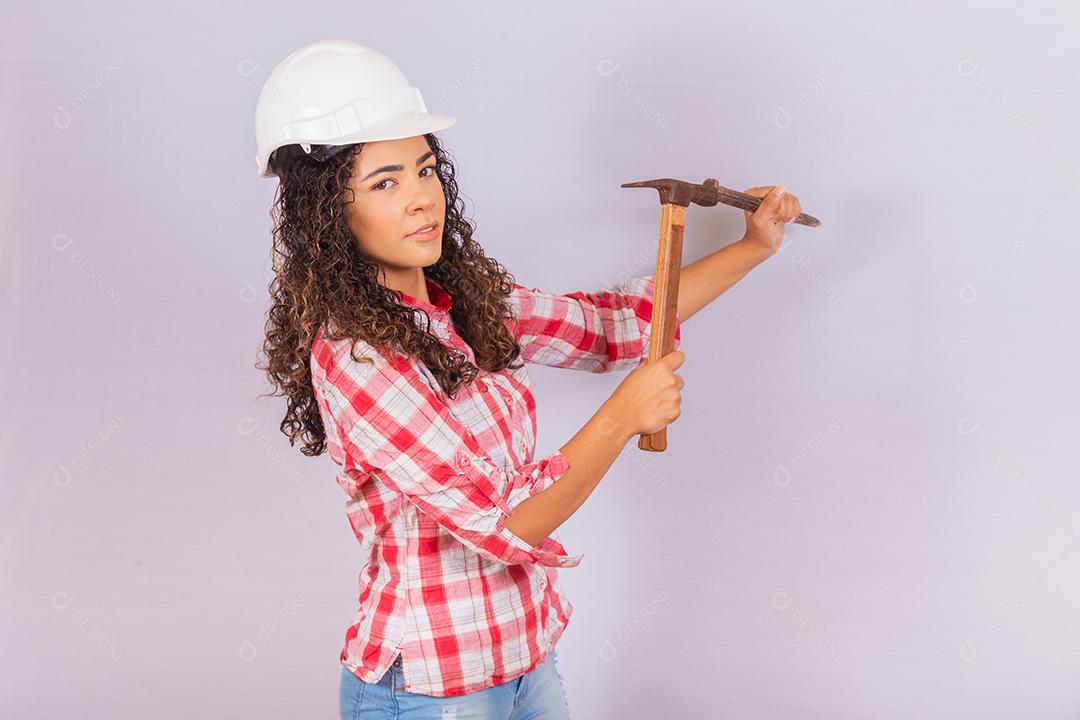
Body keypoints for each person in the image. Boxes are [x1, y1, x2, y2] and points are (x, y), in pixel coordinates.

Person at [254, 39, 800, 720]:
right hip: (430, 687)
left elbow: (609, 324)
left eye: (425, 170)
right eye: (384, 182)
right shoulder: (357, 357)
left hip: (525, 659)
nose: (422, 199)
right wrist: (620, 417)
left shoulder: (467, 302)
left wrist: (752, 248)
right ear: (329, 211)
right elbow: (503, 522)